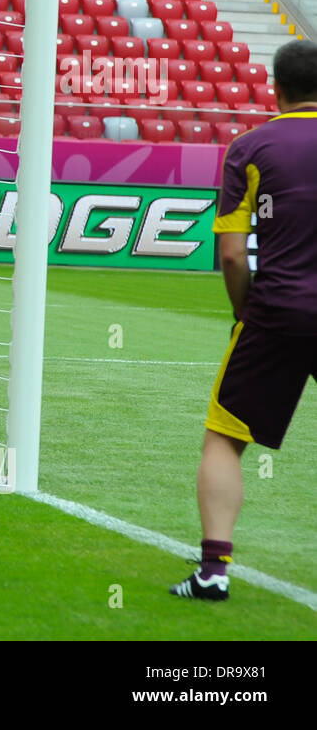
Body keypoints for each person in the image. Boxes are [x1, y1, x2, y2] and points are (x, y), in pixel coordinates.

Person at [170, 38, 317, 601]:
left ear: (275, 88)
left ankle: (213, 571)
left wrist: (244, 311)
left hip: (276, 313)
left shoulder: (250, 147)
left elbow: (232, 254)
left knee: (226, 439)